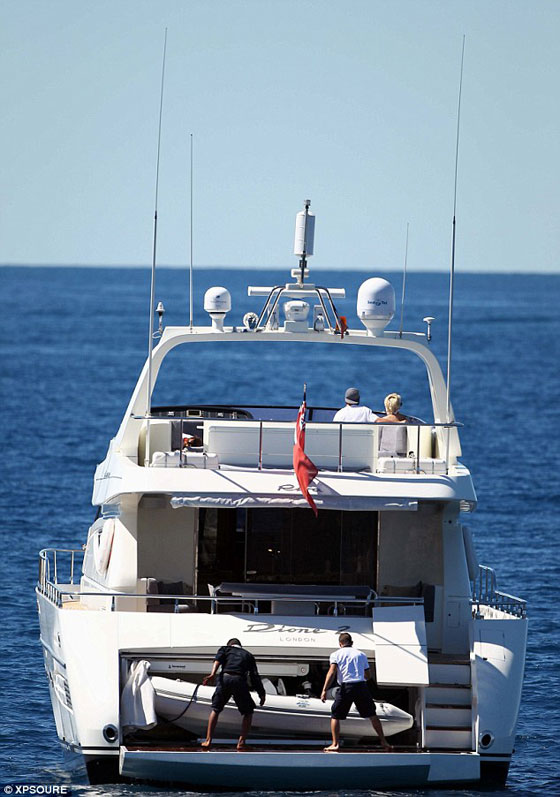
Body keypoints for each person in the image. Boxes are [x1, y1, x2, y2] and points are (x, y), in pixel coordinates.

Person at [321, 632, 393, 753]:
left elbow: (332, 672)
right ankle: (384, 741)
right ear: (352, 643)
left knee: (335, 715)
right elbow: (368, 675)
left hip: (346, 687)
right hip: (360, 686)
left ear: (340, 644)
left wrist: (324, 690)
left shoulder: (335, 654)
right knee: (372, 715)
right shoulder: (361, 654)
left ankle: (335, 744)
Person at [202, 638, 266, 750]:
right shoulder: (248, 655)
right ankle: (241, 742)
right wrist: (261, 693)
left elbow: (217, 660)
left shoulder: (225, 649)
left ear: (230, 645)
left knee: (216, 709)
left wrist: (212, 674)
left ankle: (208, 740)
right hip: (239, 680)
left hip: (225, 679)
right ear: (240, 646)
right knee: (248, 712)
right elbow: (254, 676)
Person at [375, 392, 407, 457]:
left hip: (381, 456)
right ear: (399, 406)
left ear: (386, 406)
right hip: (402, 456)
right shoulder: (406, 421)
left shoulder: (380, 421)